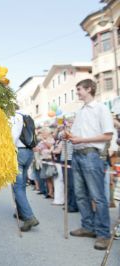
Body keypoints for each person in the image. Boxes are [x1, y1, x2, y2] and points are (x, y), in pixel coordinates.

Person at [67, 79, 114, 250]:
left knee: (98, 197)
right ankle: (88, 227)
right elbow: (77, 135)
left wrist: (81, 139)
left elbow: (108, 135)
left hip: (91, 155)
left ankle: (103, 234)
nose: (77, 92)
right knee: (80, 194)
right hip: (78, 155)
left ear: (89, 89)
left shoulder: (101, 108)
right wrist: (70, 136)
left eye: (79, 89)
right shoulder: (80, 111)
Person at [10, 107, 39, 232]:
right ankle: (21, 211)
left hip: (19, 153)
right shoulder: (27, 115)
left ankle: (29, 217)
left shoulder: (15, 116)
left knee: (17, 186)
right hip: (28, 153)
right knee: (21, 185)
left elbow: (13, 136)